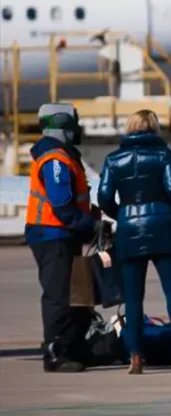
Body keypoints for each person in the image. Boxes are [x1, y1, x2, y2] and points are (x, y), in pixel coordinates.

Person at [96, 109, 171, 375]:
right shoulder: (163, 154)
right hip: (162, 225)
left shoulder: (113, 159)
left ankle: (135, 355)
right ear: (154, 128)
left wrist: (121, 213)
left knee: (133, 297)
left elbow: (104, 196)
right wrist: (164, 206)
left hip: (129, 228)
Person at [24, 103, 101, 372]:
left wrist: (89, 217)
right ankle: (55, 352)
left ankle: (74, 346)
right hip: (53, 234)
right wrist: (88, 225)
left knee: (76, 293)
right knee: (58, 295)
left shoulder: (62, 155)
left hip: (62, 233)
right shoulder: (55, 159)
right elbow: (61, 204)